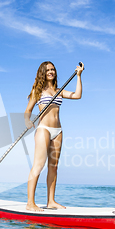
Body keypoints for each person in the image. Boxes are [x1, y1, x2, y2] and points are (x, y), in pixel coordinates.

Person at [24, 61, 84, 212]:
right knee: (38, 166)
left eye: (52, 69)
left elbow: (77, 96)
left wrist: (79, 76)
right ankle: (30, 202)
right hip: (43, 129)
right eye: (47, 70)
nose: (51, 71)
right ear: (42, 73)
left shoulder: (59, 90)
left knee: (54, 167)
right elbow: (28, 111)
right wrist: (27, 121)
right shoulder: (37, 91)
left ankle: (51, 201)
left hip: (58, 131)